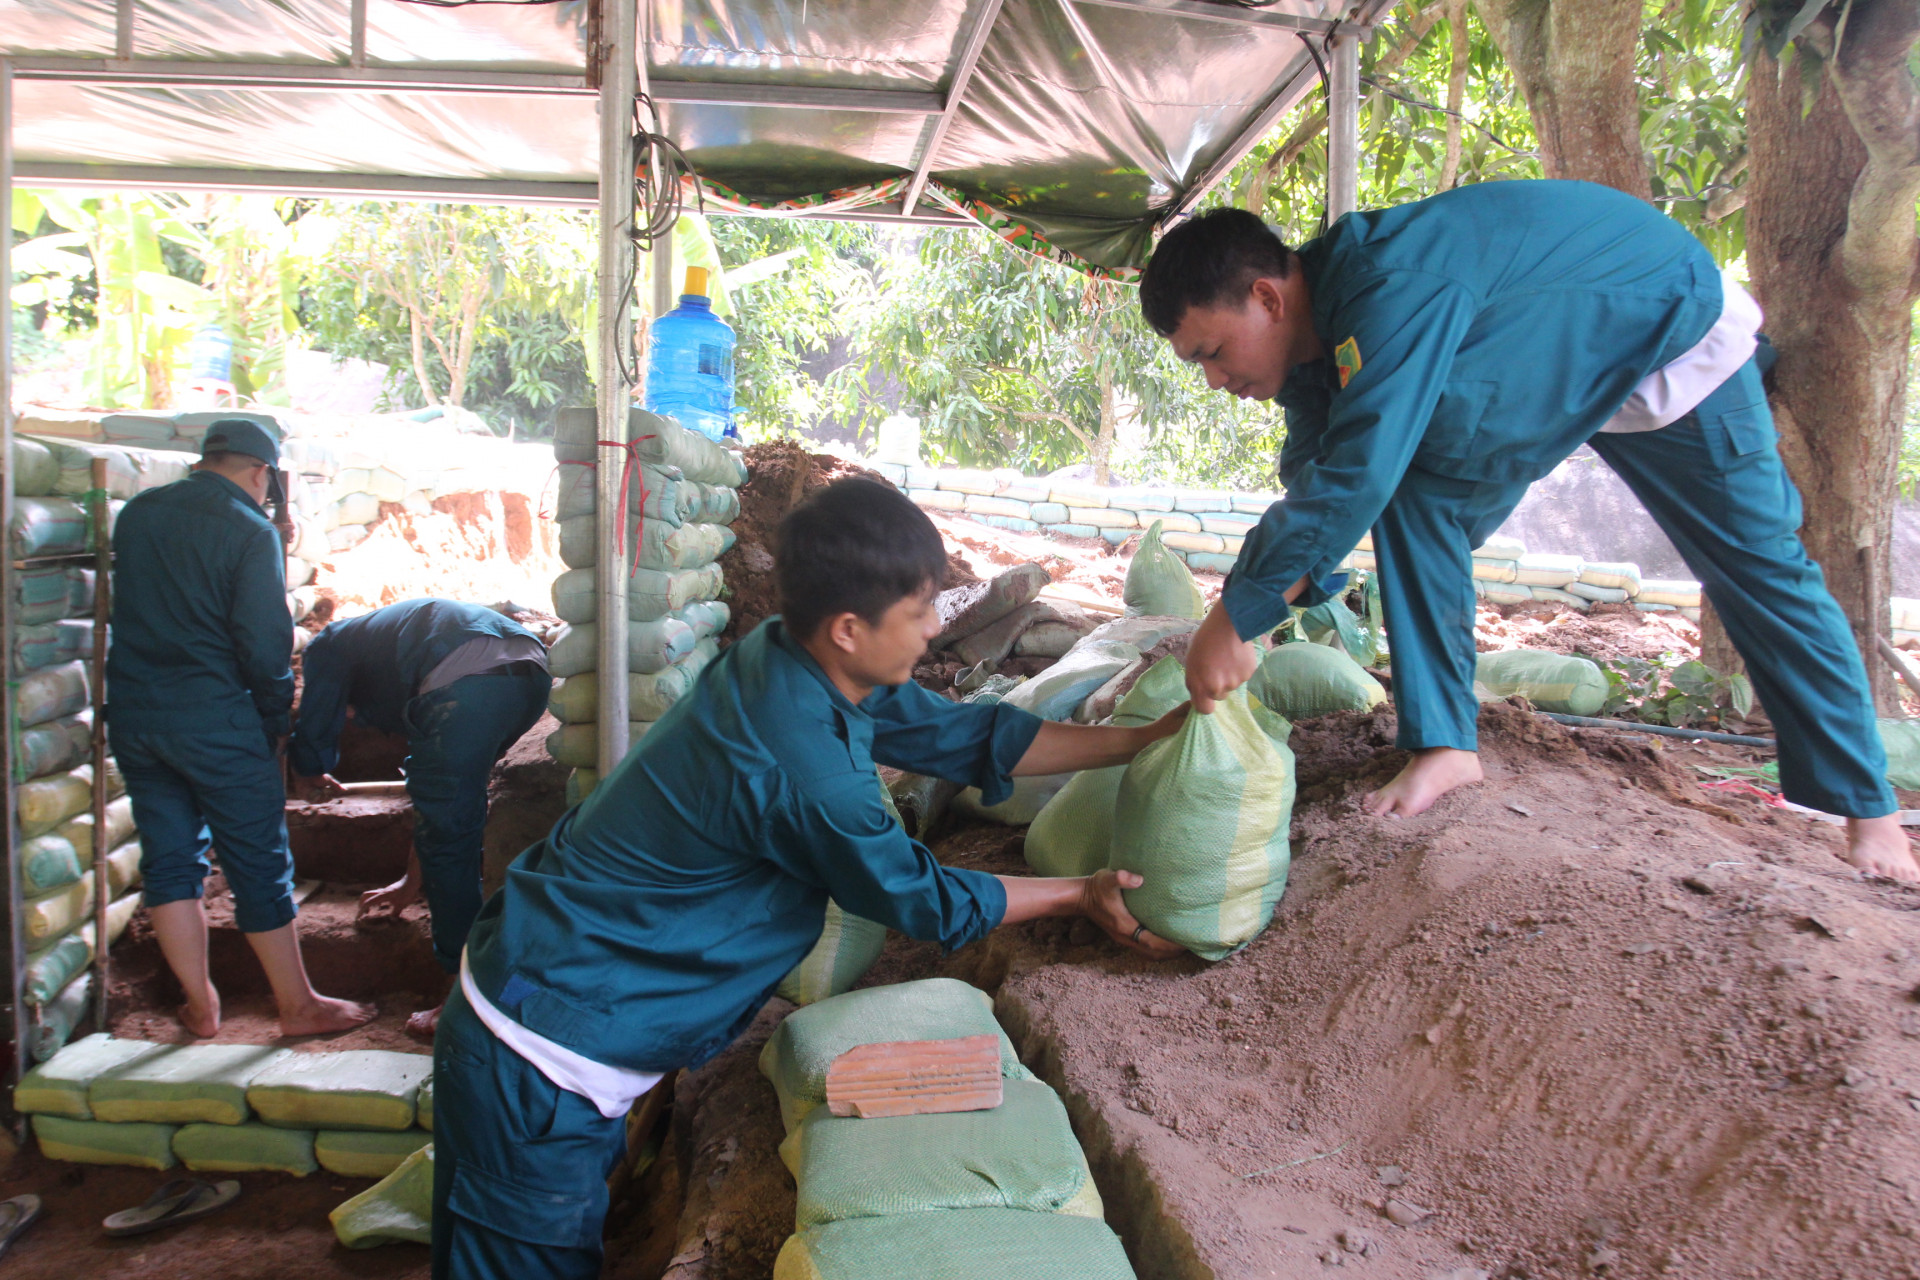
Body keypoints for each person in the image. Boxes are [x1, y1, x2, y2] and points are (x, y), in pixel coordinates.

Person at [431, 478, 1187, 1278]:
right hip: (540, 1051)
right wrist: (1079, 891)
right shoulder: (804, 763)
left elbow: (967, 735)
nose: (935, 628)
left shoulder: (802, 664)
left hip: (563, 996)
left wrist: (1136, 741)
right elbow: (920, 896)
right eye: (921, 611)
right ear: (851, 628)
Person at [1140, 181, 1918, 884]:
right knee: (1416, 489)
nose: (1214, 379)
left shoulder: (1390, 288)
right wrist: (1269, 602)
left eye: (1211, 352)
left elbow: (1358, 474)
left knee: (1759, 569)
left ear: (1268, 299)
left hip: (1666, 332)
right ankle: (1446, 746)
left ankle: (1867, 806)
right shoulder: (1322, 351)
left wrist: (1237, 616)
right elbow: (1320, 475)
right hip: (1564, 364)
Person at [107, 419, 374, 1038]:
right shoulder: (249, 531)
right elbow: (264, 643)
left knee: (170, 862)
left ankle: (200, 1004)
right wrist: (277, 717)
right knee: (258, 861)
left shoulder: (138, 513)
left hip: (138, 715)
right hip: (216, 718)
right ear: (261, 473)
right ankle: (298, 1005)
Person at [288, 598, 552, 1036]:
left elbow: (318, 716)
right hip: (530, 677)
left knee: (451, 838)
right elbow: (436, 810)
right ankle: (481, 978)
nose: (356, 718)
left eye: (353, 713)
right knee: (450, 816)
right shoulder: (389, 641)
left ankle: (459, 995)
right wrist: (411, 882)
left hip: (466, 684)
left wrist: (309, 765)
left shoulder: (328, 643)